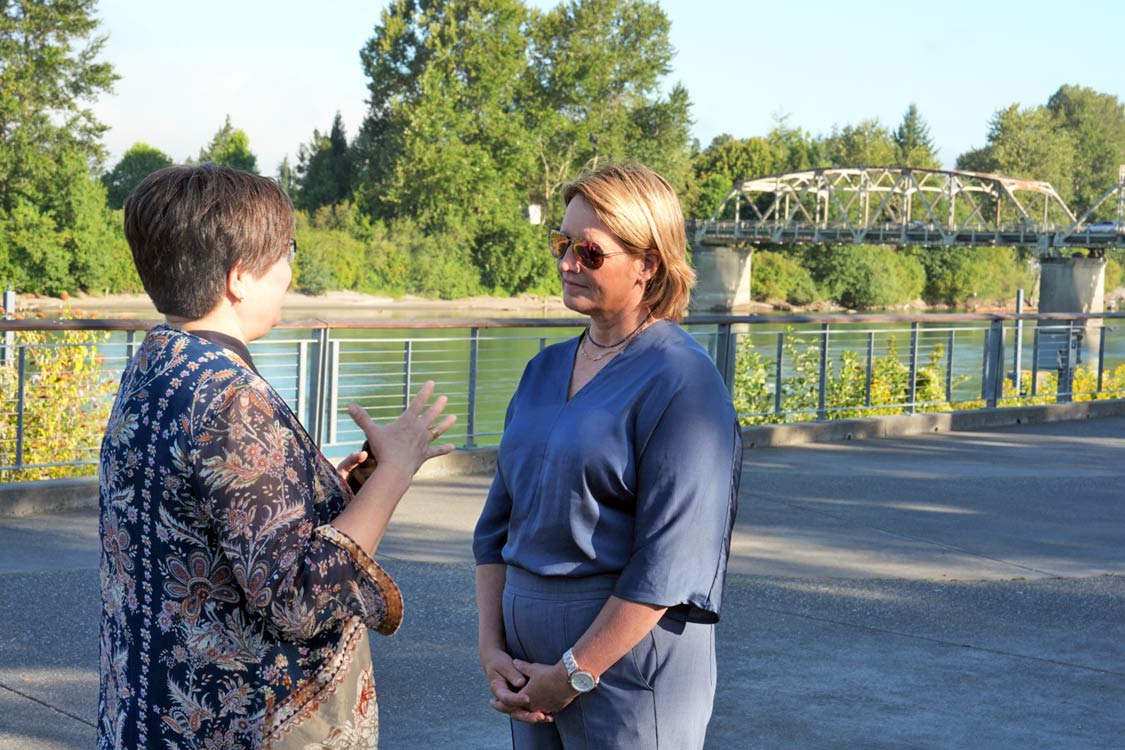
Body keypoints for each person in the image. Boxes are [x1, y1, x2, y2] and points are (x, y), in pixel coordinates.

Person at [97, 163, 455, 750]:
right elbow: (297, 597)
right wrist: (395, 468)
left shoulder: (156, 364)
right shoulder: (231, 395)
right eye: (286, 251)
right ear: (239, 277)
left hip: (149, 713)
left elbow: (209, 523)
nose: (290, 271)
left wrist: (324, 494)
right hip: (235, 727)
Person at [473, 162, 743, 749]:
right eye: (561, 244)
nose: (567, 263)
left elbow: (670, 562)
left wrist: (573, 673)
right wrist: (491, 649)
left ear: (648, 265)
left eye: (590, 253)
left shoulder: (682, 381)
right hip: (528, 678)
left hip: (627, 676)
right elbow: (495, 527)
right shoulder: (542, 370)